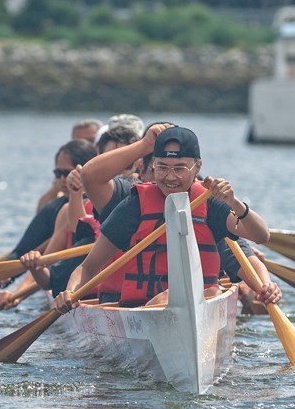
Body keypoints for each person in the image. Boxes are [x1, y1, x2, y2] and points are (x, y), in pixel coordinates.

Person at [53, 126, 274, 312]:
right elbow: (88, 268)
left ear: (197, 167)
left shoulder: (211, 202)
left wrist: (234, 202)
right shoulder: (135, 205)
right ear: (151, 167)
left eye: (179, 169)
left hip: (202, 302)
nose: (170, 177)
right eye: (162, 168)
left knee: (211, 291)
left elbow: (261, 235)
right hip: (143, 309)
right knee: (166, 299)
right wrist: (70, 292)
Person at [0, 139, 97, 309]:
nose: (62, 179)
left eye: (67, 173)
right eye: (58, 173)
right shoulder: (60, 209)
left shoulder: (117, 201)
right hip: (73, 291)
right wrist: (17, 296)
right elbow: (40, 263)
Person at [35, 119, 103, 212]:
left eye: (91, 140)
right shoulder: (65, 162)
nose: (85, 144)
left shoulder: (109, 169)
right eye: (79, 140)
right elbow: (40, 210)